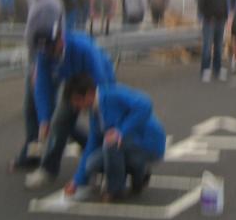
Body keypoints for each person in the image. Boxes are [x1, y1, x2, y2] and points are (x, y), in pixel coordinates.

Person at [24, 29, 118, 189]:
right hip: (72, 84)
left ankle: (107, 166)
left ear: (60, 40)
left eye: (51, 48)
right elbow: (42, 87)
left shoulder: (83, 49)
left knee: (101, 127)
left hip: (98, 83)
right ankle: (48, 169)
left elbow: (101, 77)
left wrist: (98, 104)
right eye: (45, 50)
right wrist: (44, 119)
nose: (49, 53)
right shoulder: (44, 53)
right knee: (59, 122)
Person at [63, 73, 167, 203]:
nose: (76, 106)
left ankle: (115, 189)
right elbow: (92, 144)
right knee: (92, 163)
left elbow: (145, 104)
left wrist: (120, 131)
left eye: (77, 100)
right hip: (129, 145)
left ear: (89, 93)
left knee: (110, 142)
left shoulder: (112, 95)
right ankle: (139, 174)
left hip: (148, 143)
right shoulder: (94, 112)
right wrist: (77, 181)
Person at [11, 0, 64, 173]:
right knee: (34, 111)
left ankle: (40, 155)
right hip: (38, 63)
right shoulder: (40, 0)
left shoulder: (49, 4)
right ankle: (33, 153)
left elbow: (48, 40)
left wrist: (38, 71)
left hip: (44, 65)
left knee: (43, 112)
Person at [198, 0, 229, 82]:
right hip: (209, 23)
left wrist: (225, 18)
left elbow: (225, 6)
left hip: (221, 23)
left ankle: (218, 69)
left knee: (219, 48)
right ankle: (205, 70)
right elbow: (201, 7)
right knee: (207, 48)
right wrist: (208, 17)